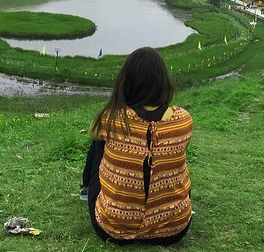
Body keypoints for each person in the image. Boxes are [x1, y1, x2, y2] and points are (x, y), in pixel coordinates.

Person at [81, 47, 193, 244]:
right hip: (174, 230)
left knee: (99, 142)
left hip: (112, 228)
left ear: (127, 81)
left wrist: (118, 104)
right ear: (163, 81)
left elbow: (92, 131)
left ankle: (86, 190)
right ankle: (167, 208)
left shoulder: (113, 118)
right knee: (173, 154)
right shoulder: (182, 120)